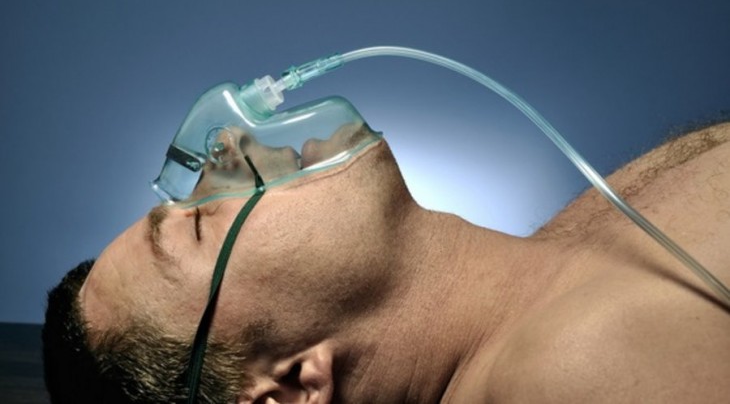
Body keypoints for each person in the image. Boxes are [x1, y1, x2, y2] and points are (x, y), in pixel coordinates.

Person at [43, 121, 730, 403]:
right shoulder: (578, 378)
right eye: (197, 225)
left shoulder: (553, 277)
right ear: (294, 388)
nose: (226, 143)